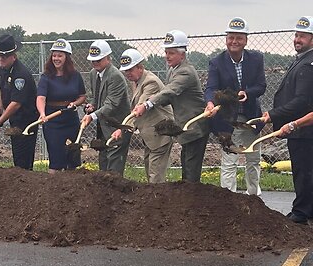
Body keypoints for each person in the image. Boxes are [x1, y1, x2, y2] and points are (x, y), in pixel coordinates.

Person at [134, 30, 209, 182]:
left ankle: (193, 201)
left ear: (182, 54)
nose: (167, 56)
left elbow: (170, 91)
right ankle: (188, 198)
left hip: (195, 127)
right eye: (166, 52)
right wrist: (152, 99)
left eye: (171, 53)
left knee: (191, 171)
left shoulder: (186, 72)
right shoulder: (173, 70)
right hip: (184, 127)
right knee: (186, 166)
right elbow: (170, 97)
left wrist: (148, 103)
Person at [204, 17, 266, 196]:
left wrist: (248, 93)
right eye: (231, 37)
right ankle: (228, 200)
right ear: (226, 39)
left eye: (239, 38)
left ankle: (254, 197)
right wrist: (210, 103)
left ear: (246, 40)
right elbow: (211, 88)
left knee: (253, 159)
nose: (234, 42)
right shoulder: (217, 62)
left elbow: (261, 86)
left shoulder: (256, 59)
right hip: (228, 119)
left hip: (251, 117)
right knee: (230, 160)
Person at [261, 16, 313, 225]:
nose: (297, 39)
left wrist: (273, 115)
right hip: (300, 128)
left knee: (303, 170)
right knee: (305, 169)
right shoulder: (302, 60)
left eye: (302, 36)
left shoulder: (308, 65)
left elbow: (301, 101)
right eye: (296, 35)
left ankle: (300, 212)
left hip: (304, 130)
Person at [111, 49, 174, 183]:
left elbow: (138, 109)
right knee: (149, 170)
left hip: (160, 135)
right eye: (125, 70)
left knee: (155, 176)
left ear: (140, 67)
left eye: (130, 70)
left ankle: (158, 201)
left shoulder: (150, 82)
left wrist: (122, 129)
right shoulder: (136, 81)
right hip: (150, 135)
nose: (127, 73)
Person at [36, 39, 86, 173]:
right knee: (56, 160)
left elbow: (82, 96)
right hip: (53, 122)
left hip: (71, 120)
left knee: (72, 158)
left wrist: (75, 103)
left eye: (60, 55)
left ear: (67, 57)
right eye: (54, 55)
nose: (56, 58)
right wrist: (42, 113)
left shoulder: (75, 76)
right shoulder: (46, 77)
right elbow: (41, 98)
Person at [82, 40, 131, 175]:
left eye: (98, 59)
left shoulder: (115, 76)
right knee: (103, 164)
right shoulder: (93, 73)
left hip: (117, 126)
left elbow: (111, 104)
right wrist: (92, 106)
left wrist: (92, 116)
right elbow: (96, 97)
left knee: (114, 167)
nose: (95, 63)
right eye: (93, 60)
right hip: (102, 126)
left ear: (108, 58)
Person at [0, 34, 39, 170]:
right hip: (14, 118)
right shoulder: (3, 66)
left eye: (4, 57)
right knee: (17, 155)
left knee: (23, 157)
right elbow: (1, 87)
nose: (0, 60)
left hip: (26, 119)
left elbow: (16, 103)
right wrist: (0, 106)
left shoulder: (21, 75)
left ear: (13, 55)